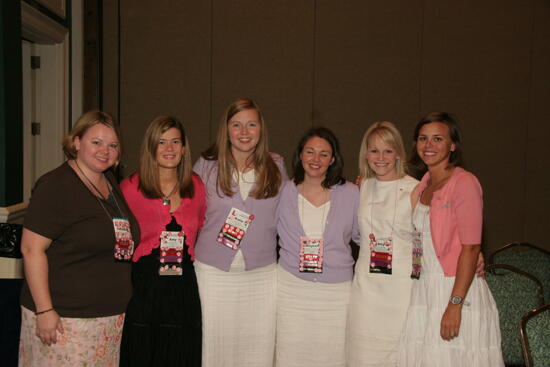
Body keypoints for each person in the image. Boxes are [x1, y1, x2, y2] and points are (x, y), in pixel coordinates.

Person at [19, 110, 139, 366]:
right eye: (96, 142)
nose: (105, 151)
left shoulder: (108, 183)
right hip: (65, 320)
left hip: (107, 319)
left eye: (112, 145)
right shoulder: (56, 186)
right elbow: (31, 250)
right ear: (76, 142)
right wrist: (44, 310)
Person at [397, 112, 504, 366]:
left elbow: (471, 248)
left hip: (455, 290)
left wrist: (455, 304)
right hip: (424, 290)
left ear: (452, 145)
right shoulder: (423, 184)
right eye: (423, 139)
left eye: (437, 139)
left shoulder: (464, 182)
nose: (428, 145)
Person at [193, 97, 287, 367]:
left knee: (257, 347)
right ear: (226, 129)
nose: (244, 132)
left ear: (261, 129)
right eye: (237, 125)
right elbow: (189, 210)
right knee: (214, 346)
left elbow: (292, 210)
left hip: (261, 275)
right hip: (213, 273)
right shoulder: (207, 165)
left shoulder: (276, 165)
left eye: (251, 124)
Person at [119, 116, 206, 366]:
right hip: (144, 288)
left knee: (181, 352)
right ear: (151, 147)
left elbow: (202, 228)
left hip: (183, 288)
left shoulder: (197, 187)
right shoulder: (130, 188)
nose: (169, 149)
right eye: (162, 142)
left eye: (175, 141)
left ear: (184, 147)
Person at [276, 127, 359, 367]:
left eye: (324, 154)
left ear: (333, 159)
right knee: (290, 353)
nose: (316, 159)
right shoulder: (282, 191)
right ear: (300, 154)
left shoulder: (351, 193)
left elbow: (365, 236)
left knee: (332, 354)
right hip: (291, 288)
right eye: (310, 152)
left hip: (336, 292)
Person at [346, 121, 419, 366]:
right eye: (374, 150)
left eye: (388, 150)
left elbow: (432, 237)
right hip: (366, 289)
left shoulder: (416, 189)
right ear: (365, 154)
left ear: (398, 152)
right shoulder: (362, 187)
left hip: (401, 290)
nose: (380, 157)